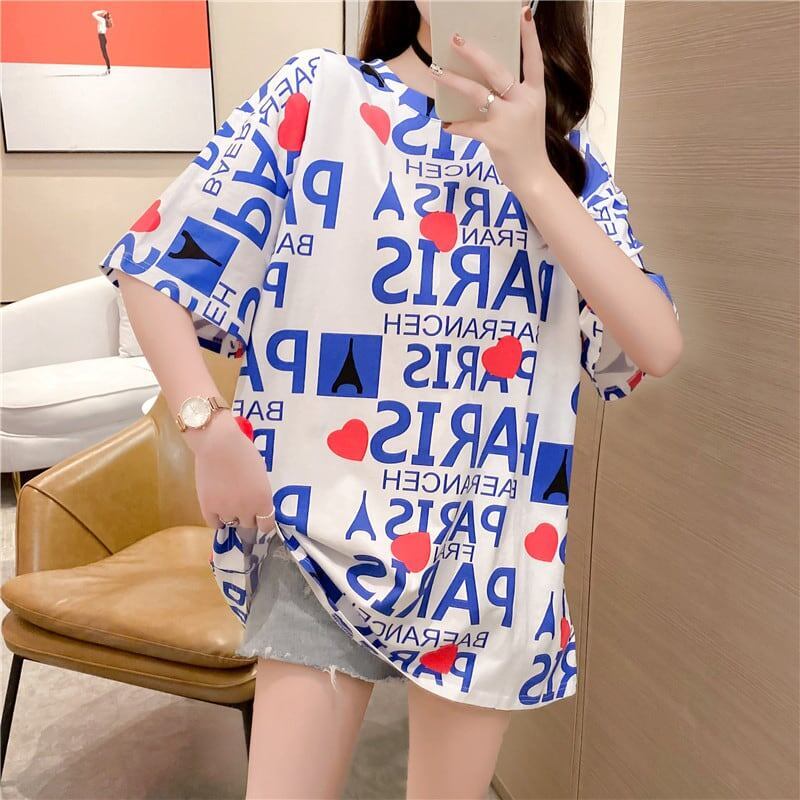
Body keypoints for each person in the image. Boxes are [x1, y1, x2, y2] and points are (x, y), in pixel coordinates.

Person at [96, 0, 683, 796]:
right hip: (319, 529)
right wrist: (207, 427)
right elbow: (154, 260)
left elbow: (654, 345)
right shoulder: (320, 95)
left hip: (489, 556)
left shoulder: (562, 158)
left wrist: (532, 172)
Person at [91, 9, 112, 75]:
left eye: (102, 14)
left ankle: (108, 69)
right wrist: (103, 13)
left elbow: (93, 14)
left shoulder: (102, 20)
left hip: (102, 37)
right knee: (104, 54)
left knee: (105, 54)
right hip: (102, 37)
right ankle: (108, 69)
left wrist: (101, 11)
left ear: (104, 15)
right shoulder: (104, 20)